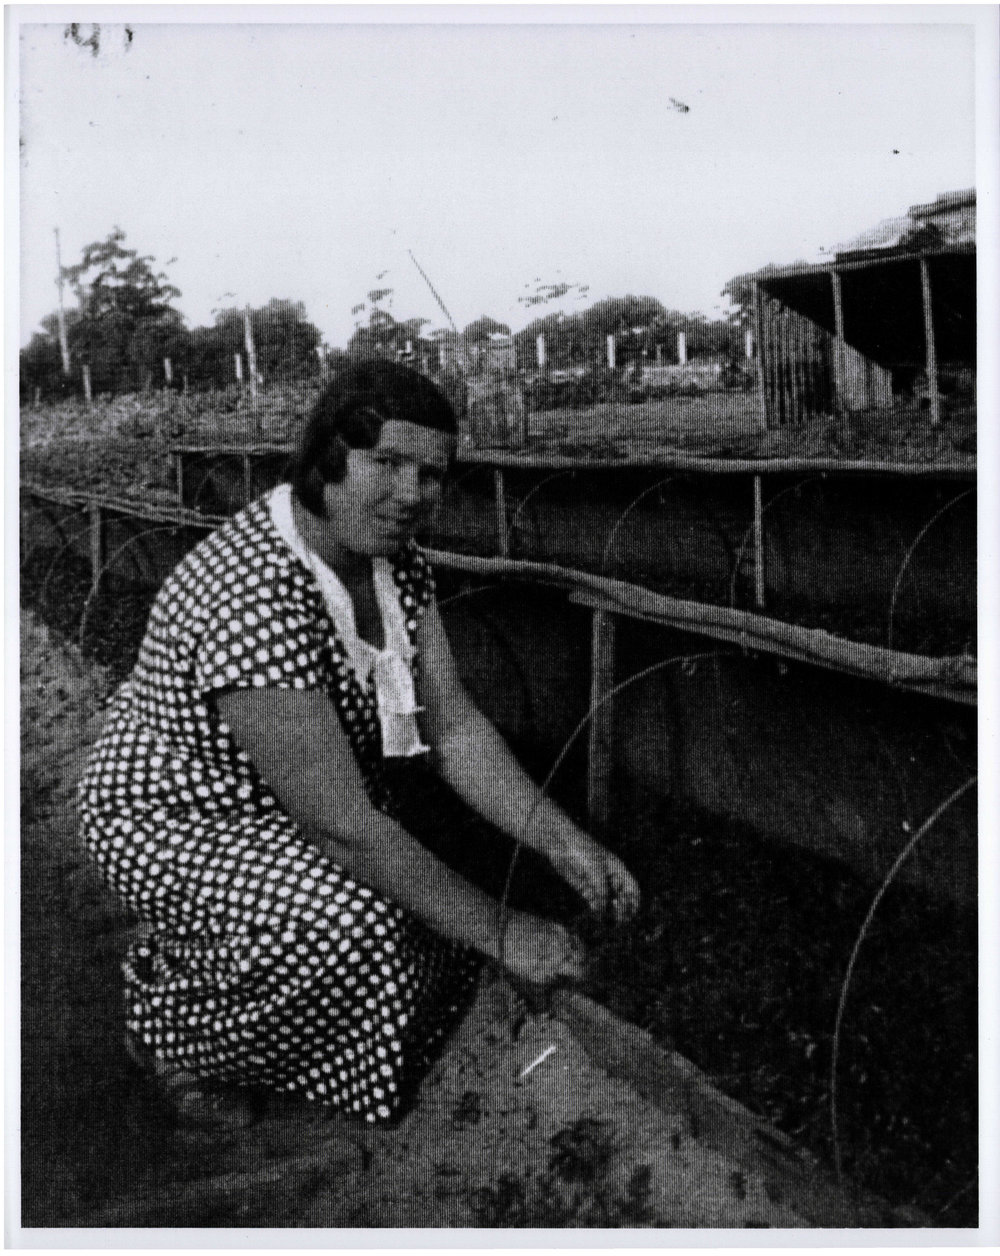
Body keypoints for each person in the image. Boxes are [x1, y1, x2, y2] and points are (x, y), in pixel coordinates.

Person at [78, 360, 640, 1126]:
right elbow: (345, 825)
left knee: (424, 922)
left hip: (284, 794)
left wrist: (561, 840)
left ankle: (207, 959)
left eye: (432, 474)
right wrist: (507, 931)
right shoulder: (253, 593)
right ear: (326, 460)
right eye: (387, 463)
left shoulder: (391, 561)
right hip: (173, 815)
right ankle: (176, 1036)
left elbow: (453, 726)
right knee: (352, 927)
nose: (413, 494)